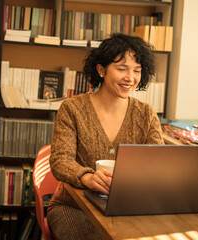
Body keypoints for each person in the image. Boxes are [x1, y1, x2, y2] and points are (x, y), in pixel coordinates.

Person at [47, 33, 165, 240]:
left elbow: (159, 163)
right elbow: (60, 160)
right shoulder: (72, 108)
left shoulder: (146, 113)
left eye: (137, 71)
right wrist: (87, 177)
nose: (130, 78)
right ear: (101, 70)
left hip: (128, 209)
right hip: (74, 207)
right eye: (122, 69)